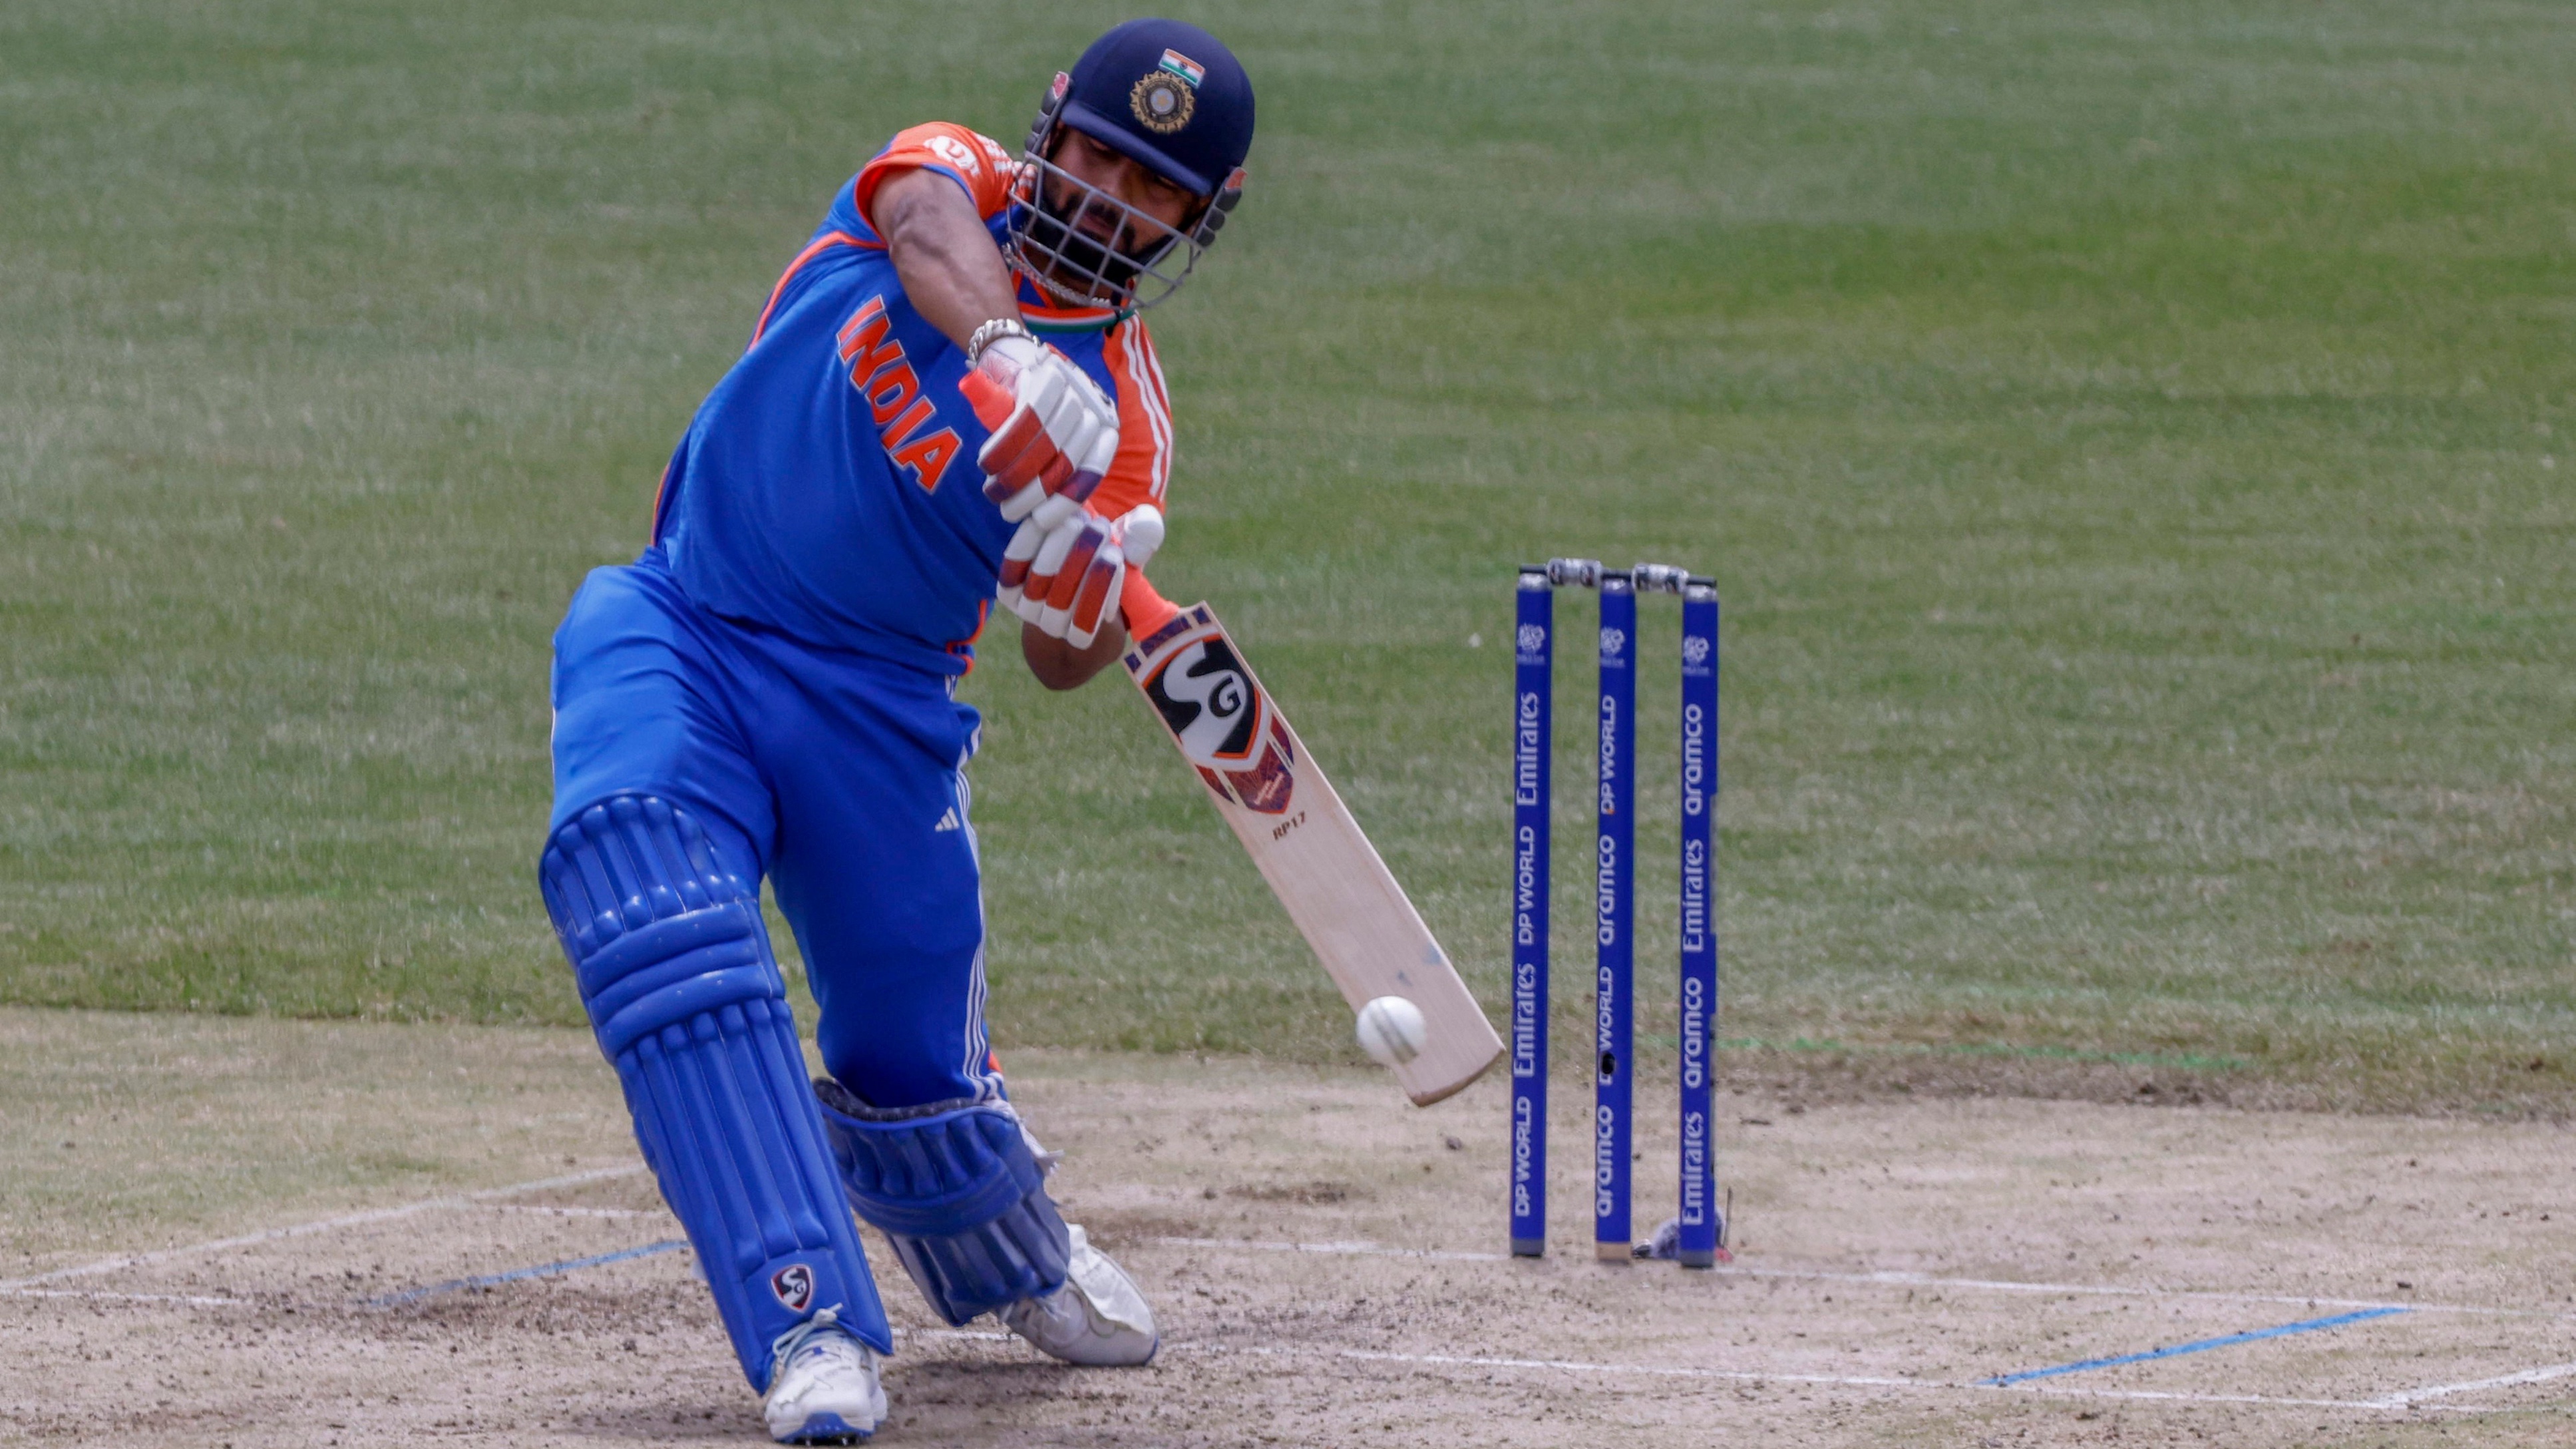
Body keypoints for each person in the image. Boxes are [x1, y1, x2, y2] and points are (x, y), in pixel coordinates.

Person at [534, 19, 1253, 1443]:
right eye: (1098, 150)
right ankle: (806, 1317)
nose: (1111, 192)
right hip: (686, 621)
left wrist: (1082, 587)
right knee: (656, 911)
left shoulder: (1129, 427)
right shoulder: (957, 181)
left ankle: (1006, 1250)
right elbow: (918, 220)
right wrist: (1000, 345)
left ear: (1199, 220)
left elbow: (1061, 661)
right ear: (1048, 134)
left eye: (1154, 182)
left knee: (907, 1046)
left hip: (879, 709)